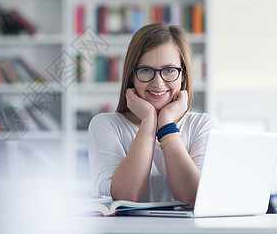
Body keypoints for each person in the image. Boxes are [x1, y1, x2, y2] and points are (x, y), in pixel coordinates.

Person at [88, 23, 220, 207]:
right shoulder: (105, 125)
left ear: (182, 74)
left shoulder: (203, 125)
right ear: (131, 76)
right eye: (145, 70)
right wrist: (149, 120)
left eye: (169, 70)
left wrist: (166, 124)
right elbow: (126, 196)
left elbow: (192, 197)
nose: (158, 83)